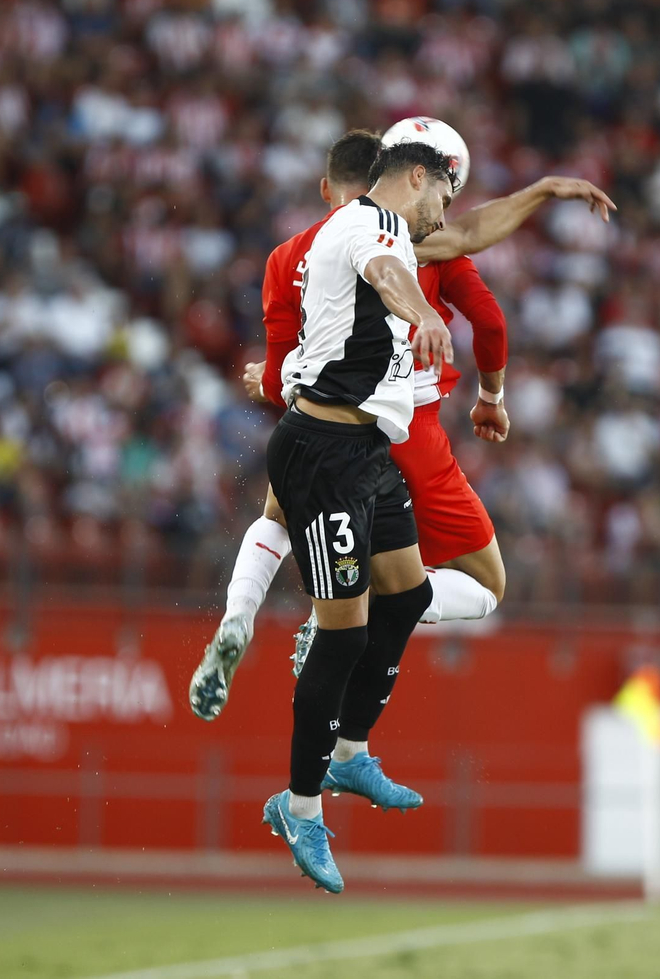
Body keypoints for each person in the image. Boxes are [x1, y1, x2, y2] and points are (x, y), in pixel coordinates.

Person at [189, 128, 614, 719]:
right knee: (480, 586)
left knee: (276, 519)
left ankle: (238, 616)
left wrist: (267, 379)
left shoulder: (288, 256)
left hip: (316, 426)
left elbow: (285, 376)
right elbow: (480, 289)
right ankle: (344, 649)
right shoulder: (403, 239)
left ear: (326, 188)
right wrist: (540, 191)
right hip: (399, 428)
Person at [260, 139, 456, 893]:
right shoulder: (364, 224)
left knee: (408, 595)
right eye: (444, 195)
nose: (446, 212)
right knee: (343, 634)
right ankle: (300, 805)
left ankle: (348, 755)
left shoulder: (389, 230)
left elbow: (404, 264)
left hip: (367, 449)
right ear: (417, 178)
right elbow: (386, 275)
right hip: (324, 453)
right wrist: (425, 315)